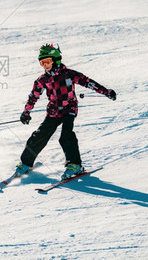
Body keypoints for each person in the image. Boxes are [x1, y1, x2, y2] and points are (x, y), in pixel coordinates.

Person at [15, 43, 117, 180]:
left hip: (69, 109)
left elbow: (88, 82)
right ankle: (26, 162)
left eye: (48, 61)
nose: (45, 65)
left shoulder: (69, 74)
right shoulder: (42, 80)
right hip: (53, 111)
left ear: (56, 60)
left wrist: (106, 92)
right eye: (42, 63)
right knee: (39, 135)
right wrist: (26, 112)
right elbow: (33, 96)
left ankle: (75, 165)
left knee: (66, 136)